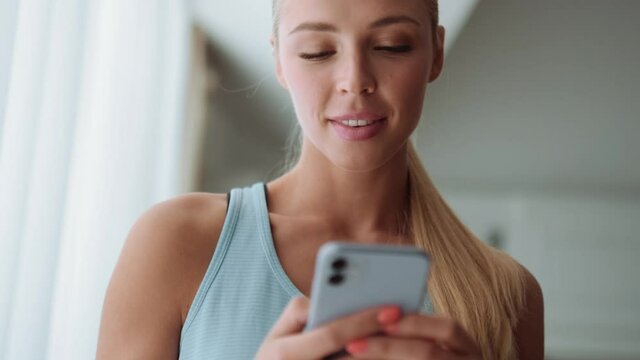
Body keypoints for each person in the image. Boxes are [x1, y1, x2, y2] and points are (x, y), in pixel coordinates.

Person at [96, 0, 544, 358]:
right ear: (279, 60)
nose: (355, 81)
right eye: (317, 51)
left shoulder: (508, 295)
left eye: (391, 45)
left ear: (436, 54)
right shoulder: (177, 243)